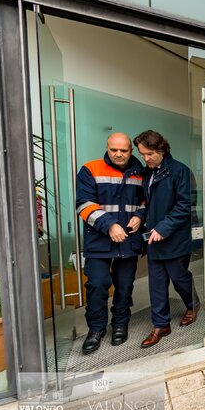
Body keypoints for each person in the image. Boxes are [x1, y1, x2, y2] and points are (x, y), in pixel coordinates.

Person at [76, 133, 145, 354]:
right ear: (107, 148)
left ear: (130, 151)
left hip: (128, 241)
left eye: (123, 150)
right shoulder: (90, 169)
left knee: (124, 286)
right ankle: (96, 329)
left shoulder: (141, 173)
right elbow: (84, 204)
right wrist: (110, 225)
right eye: (114, 150)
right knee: (97, 285)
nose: (118, 154)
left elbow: (146, 202)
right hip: (99, 241)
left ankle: (120, 324)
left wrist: (140, 216)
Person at [134, 130, 200, 348]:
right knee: (156, 284)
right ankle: (160, 325)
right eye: (142, 154)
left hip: (175, 238)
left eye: (150, 154)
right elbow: (147, 203)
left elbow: (185, 205)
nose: (146, 158)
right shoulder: (147, 174)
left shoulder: (180, 171)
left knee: (180, 278)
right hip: (154, 239)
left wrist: (163, 227)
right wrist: (140, 218)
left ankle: (192, 304)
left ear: (162, 149)